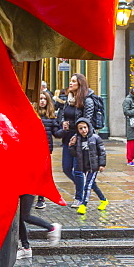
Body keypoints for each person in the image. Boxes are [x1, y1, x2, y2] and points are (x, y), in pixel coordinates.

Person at [57, 73, 97, 207]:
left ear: (80, 83)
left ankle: (79, 197)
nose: (71, 83)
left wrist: (78, 135)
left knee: (78, 170)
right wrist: (63, 123)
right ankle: (84, 187)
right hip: (67, 137)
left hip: (80, 138)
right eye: (71, 81)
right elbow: (62, 114)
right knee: (66, 168)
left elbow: (88, 122)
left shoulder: (87, 100)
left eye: (74, 81)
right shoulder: (69, 99)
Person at [66, 118, 107, 216]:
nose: (83, 130)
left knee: (87, 186)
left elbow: (102, 152)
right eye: (81, 128)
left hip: (93, 166)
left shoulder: (95, 138)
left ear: (89, 127)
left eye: (85, 127)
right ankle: (103, 200)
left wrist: (102, 164)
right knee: (93, 185)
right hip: (83, 166)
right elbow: (74, 154)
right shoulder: (77, 139)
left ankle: (84, 205)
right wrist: (71, 146)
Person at [32, 91, 59, 209]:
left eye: (44, 99)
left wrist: (65, 129)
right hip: (33, 148)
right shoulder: (32, 114)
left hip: (46, 150)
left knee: (42, 174)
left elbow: (56, 133)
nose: (42, 101)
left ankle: (41, 199)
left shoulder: (51, 118)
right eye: (40, 99)